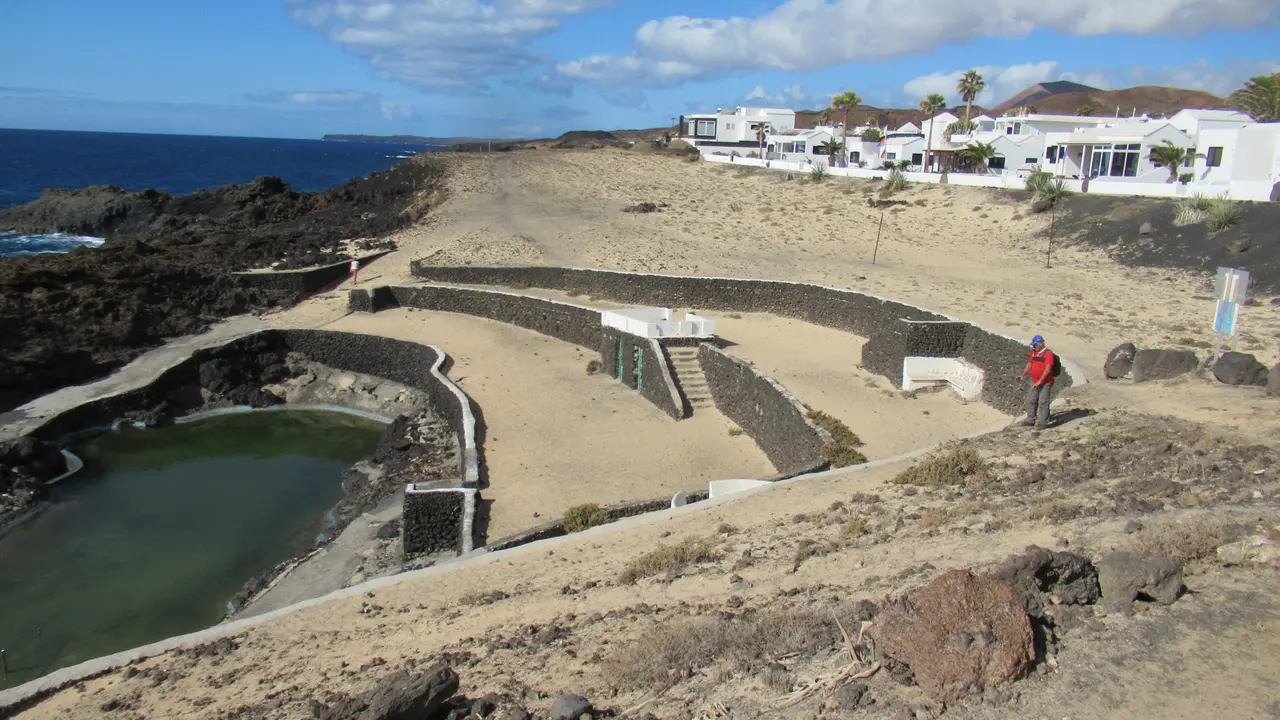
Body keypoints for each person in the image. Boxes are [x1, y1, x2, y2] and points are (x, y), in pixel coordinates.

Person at [1016, 335, 1056, 429]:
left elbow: (1048, 369)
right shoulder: (1034, 352)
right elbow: (1030, 364)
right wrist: (1023, 374)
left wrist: (1040, 381)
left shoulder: (1048, 354)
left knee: (1043, 401)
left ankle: (1043, 423)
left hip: (1045, 382)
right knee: (1031, 400)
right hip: (1034, 381)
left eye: (1035, 345)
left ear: (1041, 344)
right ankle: (1030, 420)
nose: (1034, 347)